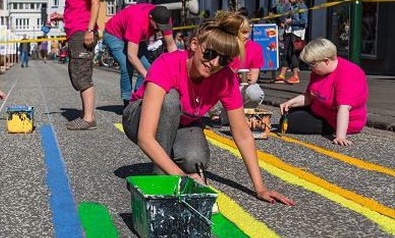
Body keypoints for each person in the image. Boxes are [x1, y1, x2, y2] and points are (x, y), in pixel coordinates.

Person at [122, 11, 294, 205]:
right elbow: (145, 137)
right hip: (137, 118)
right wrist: (181, 178)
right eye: (210, 53)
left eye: (224, 60)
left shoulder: (226, 78)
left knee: (195, 159)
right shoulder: (167, 64)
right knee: (170, 100)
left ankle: (167, 158)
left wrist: (260, 188)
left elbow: (243, 135)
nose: (214, 64)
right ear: (194, 45)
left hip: (182, 122)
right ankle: (161, 176)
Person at [49, 0, 100, 130]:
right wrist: (61, 16)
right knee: (77, 73)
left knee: (82, 74)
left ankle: (88, 118)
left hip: (81, 33)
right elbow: (79, 9)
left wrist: (89, 30)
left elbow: (95, 3)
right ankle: (86, 115)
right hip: (75, 31)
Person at [279, 38, 368, 146]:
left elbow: (343, 108)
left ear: (326, 61)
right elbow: (309, 96)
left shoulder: (349, 73)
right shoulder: (318, 72)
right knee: (287, 115)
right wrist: (290, 103)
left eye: (312, 65)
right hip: (321, 109)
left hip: (336, 120)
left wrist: (340, 136)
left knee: (289, 122)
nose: (310, 68)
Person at [103, 4, 177, 106]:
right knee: (127, 66)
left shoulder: (164, 18)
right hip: (115, 35)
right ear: (151, 18)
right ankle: (127, 102)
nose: (160, 29)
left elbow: (171, 45)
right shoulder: (138, 20)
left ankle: (137, 97)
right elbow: (131, 56)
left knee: (148, 67)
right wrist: (149, 77)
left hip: (135, 37)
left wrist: (177, 70)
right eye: (158, 26)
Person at [210, 15, 265, 123]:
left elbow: (254, 77)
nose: (244, 36)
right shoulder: (223, 46)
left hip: (239, 88)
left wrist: (249, 79)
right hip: (223, 88)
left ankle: (243, 113)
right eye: (240, 33)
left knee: (255, 91)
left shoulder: (255, 48)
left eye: (246, 32)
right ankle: (216, 114)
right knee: (212, 82)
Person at [275, 0, 308, 84]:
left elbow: (304, 21)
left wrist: (291, 21)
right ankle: (282, 74)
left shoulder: (302, 7)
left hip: (296, 33)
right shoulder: (291, 6)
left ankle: (295, 76)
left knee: (293, 54)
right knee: (286, 53)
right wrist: (284, 22)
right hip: (288, 31)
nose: (288, 0)